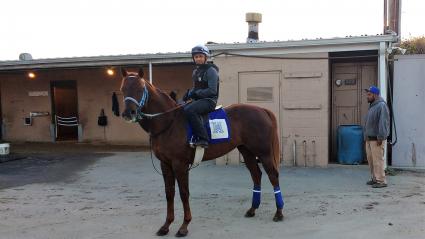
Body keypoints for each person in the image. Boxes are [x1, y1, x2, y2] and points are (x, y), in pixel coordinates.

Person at [183, 45, 219, 148]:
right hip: (199, 100)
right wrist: (188, 94)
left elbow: (212, 91)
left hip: (209, 101)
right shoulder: (195, 72)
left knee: (190, 110)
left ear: (205, 57)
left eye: (200, 56)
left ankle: (203, 139)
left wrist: (197, 93)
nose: (198, 58)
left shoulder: (211, 70)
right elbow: (196, 88)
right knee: (182, 108)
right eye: (196, 57)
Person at [364, 86, 390, 188]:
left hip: (377, 139)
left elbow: (383, 123)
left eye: (369, 94)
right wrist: (365, 136)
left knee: (378, 160)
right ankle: (375, 178)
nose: (367, 96)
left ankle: (381, 181)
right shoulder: (372, 106)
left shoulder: (381, 106)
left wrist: (381, 137)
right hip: (369, 139)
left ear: (375, 95)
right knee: (371, 160)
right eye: (367, 94)